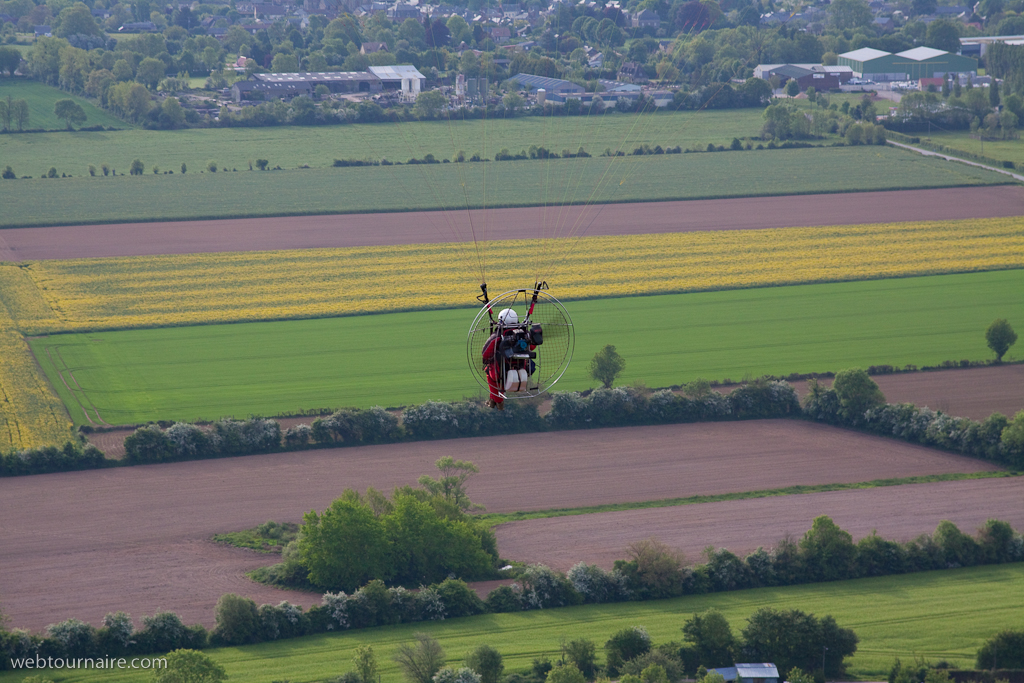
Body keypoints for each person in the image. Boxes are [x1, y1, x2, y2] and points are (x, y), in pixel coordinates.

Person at [481, 308, 542, 409]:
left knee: (488, 371)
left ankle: (498, 401)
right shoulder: (524, 335)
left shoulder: (497, 337)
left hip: (500, 373)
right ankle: (493, 400)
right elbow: (531, 347)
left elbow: (485, 354)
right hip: (522, 371)